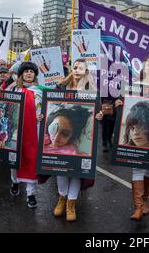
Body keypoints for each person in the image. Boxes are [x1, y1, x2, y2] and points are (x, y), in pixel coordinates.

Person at [115, 55, 149, 221]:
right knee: (137, 168)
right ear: (143, 68)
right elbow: (124, 105)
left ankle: (145, 201)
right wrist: (119, 103)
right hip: (138, 143)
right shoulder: (134, 86)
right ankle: (138, 207)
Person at [52, 58, 100, 222]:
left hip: (81, 135)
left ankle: (71, 204)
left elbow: (97, 110)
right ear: (72, 69)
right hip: (62, 133)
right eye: (75, 67)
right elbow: (50, 105)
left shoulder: (90, 89)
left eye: (82, 68)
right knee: (60, 167)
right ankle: (62, 199)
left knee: (77, 172)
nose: (78, 70)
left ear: (86, 72)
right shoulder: (61, 87)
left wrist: (99, 114)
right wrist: (42, 115)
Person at [4, 62, 44, 209]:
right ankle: (15, 181)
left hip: (35, 130)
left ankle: (30, 193)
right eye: (26, 71)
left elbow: (48, 108)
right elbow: (5, 105)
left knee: (32, 159)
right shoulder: (14, 89)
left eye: (31, 72)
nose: (29, 74)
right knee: (15, 158)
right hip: (16, 130)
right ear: (21, 74)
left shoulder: (40, 91)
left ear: (35, 75)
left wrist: (42, 116)